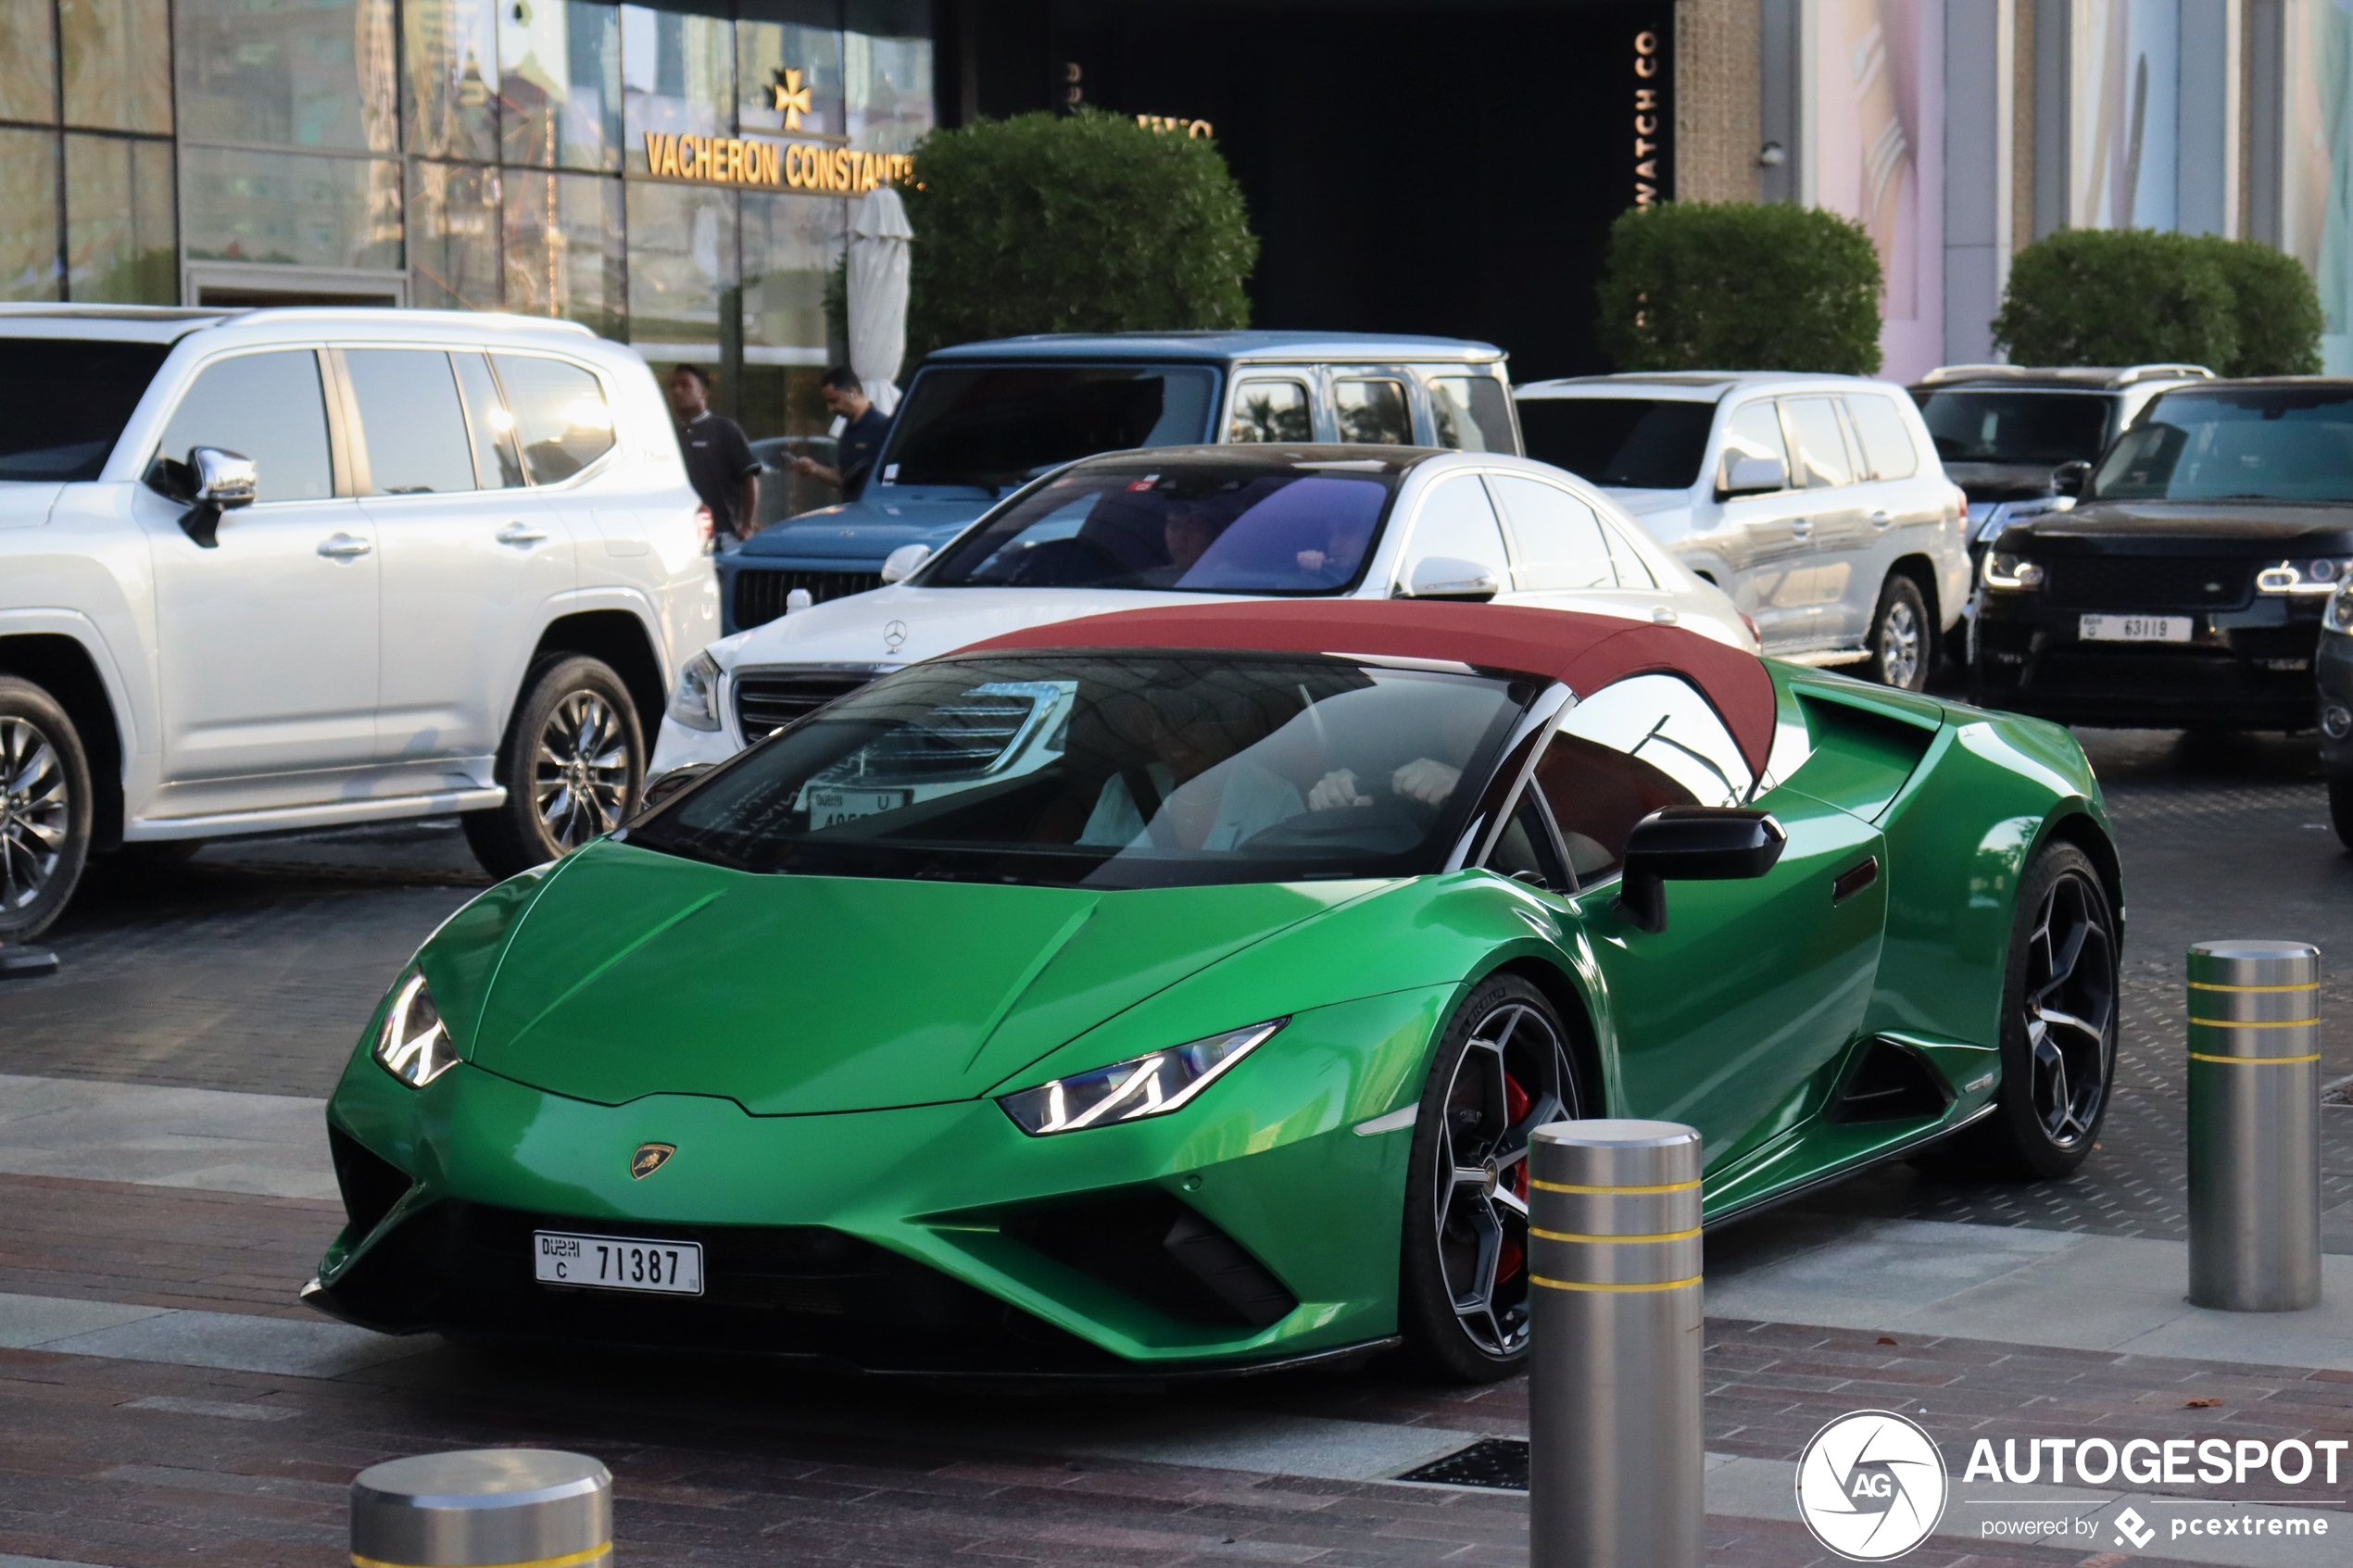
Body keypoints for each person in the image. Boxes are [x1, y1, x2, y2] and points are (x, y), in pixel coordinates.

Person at [665, 365, 761, 543]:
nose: (677, 391)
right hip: (679, 534)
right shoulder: (668, 435)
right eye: (672, 386)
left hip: (721, 534)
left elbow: (749, 477)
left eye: (685, 385)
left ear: (703, 393)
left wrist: (746, 525)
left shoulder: (723, 428)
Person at [791, 367, 893, 495]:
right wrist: (814, 468)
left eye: (834, 401)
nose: (830, 409)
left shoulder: (881, 427)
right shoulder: (850, 428)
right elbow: (843, 478)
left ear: (853, 393)